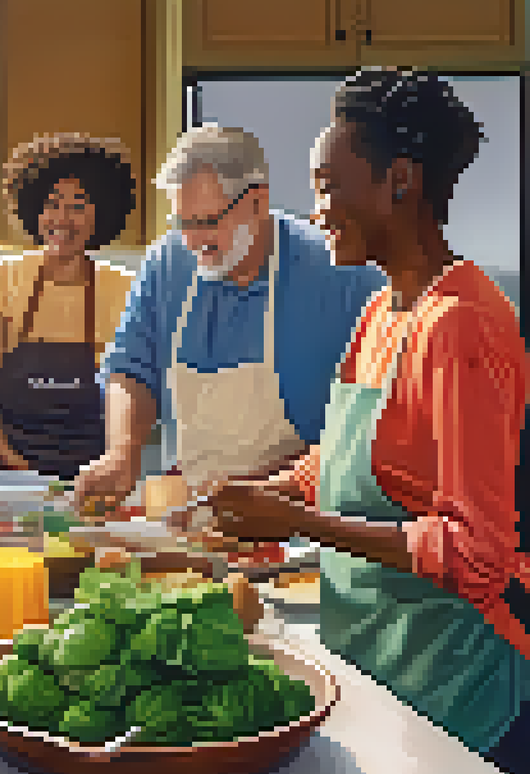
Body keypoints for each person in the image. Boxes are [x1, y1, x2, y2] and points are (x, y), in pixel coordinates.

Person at [202, 69, 530, 774]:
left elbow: (476, 553)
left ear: (400, 181)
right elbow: (349, 458)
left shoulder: (463, 326)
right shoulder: (383, 311)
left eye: (329, 187)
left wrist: (296, 521)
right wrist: (266, 493)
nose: (317, 211)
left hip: (455, 689)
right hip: (383, 669)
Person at [73, 125, 386, 510]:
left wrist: (269, 488)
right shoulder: (167, 262)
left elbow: (370, 426)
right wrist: (122, 452)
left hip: (299, 515)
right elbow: (130, 370)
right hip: (192, 509)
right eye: (182, 222)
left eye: (207, 221)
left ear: (257, 202)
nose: (193, 240)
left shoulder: (345, 274)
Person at [0, 133, 138, 478]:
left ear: (102, 213)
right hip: (6, 477)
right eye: (52, 203)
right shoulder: (4, 278)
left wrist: (104, 470)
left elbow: (132, 398)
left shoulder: (125, 288)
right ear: (34, 209)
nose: (62, 219)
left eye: (78, 205)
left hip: (90, 479)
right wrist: (20, 471)